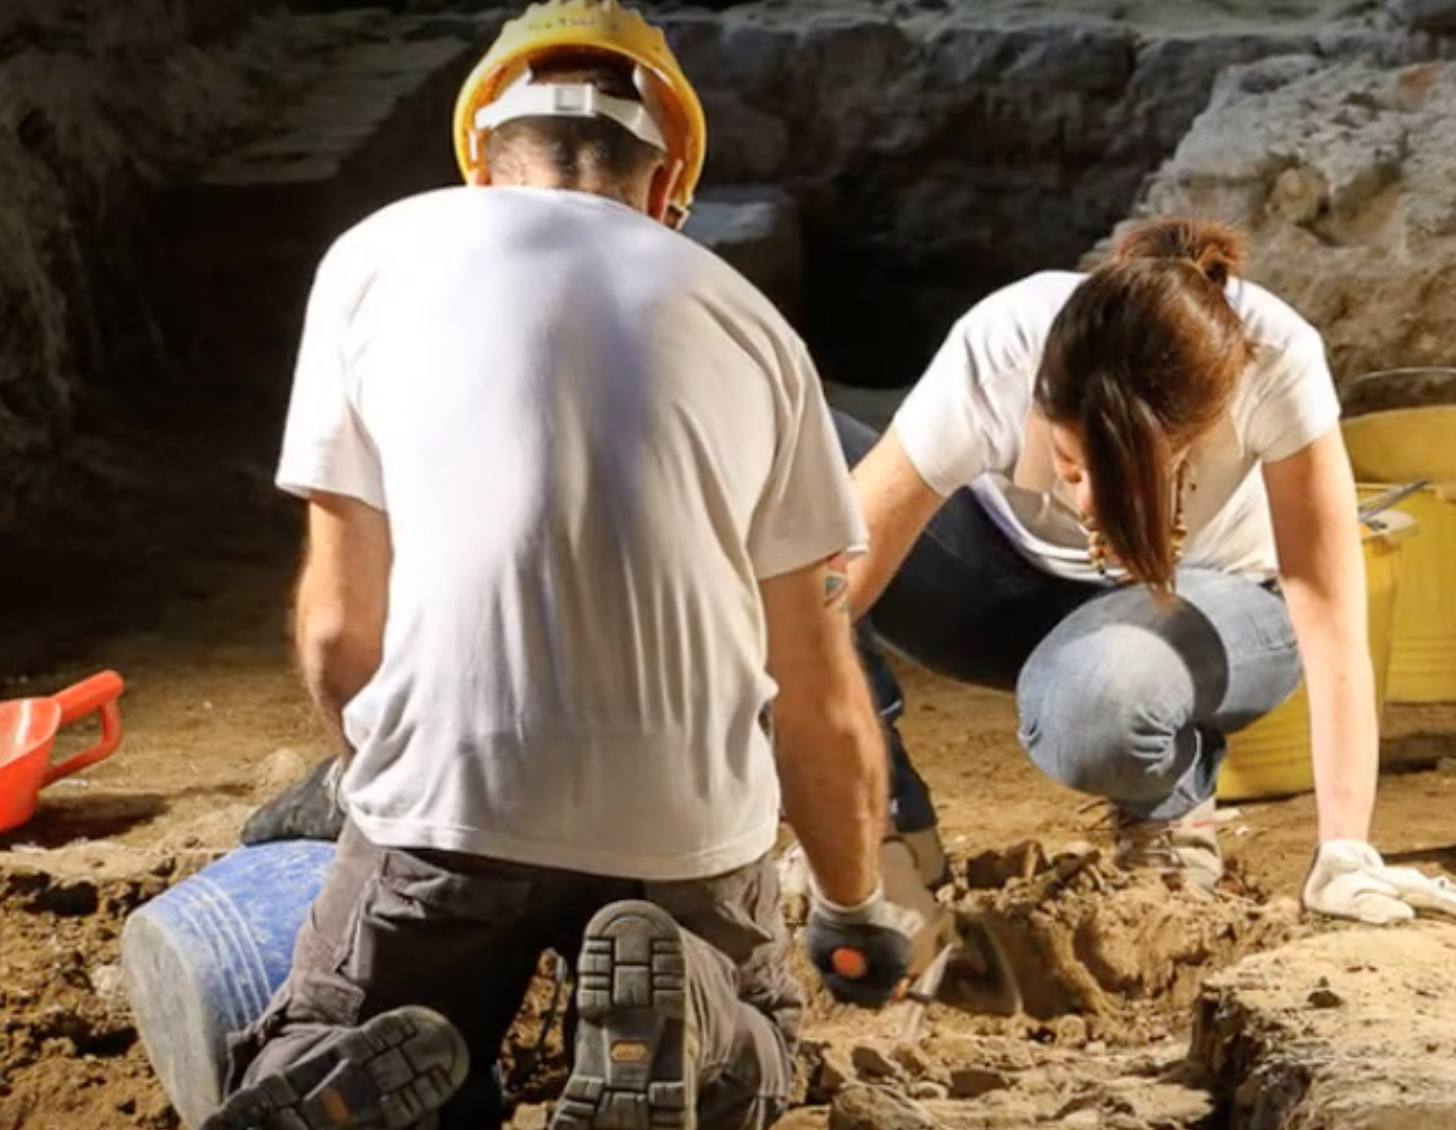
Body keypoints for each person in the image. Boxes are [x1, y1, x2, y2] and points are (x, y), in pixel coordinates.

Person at [197, 4, 931, 1128]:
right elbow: (820, 694)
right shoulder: (758, 332)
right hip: (684, 832)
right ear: (666, 182)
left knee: (348, 1027)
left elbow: (340, 630)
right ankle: (702, 1015)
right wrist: (850, 901)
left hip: (452, 804)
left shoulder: (375, 259)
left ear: (480, 162)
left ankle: (353, 1056)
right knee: (760, 1044)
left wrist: (373, 775)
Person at [830, 216, 1456, 925]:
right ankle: (895, 832)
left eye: (1121, 480)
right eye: (1069, 465)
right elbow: (825, 587)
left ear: (1191, 439)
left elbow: (1327, 611)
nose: (1088, 504)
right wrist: (843, 806)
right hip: (999, 584)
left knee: (1096, 707)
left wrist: (1344, 849)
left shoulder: (1273, 359)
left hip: (1207, 604)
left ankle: (1169, 807)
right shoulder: (1001, 350)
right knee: (797, 480)